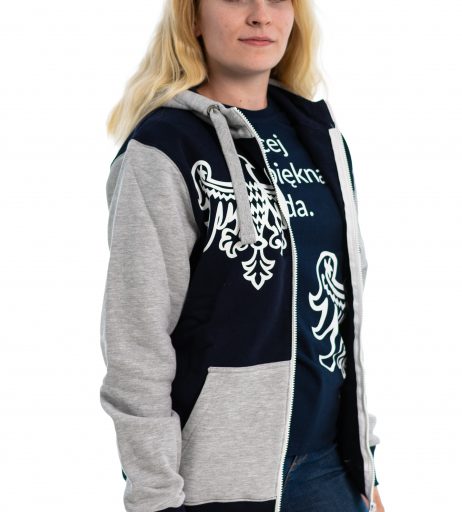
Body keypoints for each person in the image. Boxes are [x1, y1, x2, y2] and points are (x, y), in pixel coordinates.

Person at [99, 1, 385, 511]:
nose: (260, 15)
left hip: (330, 473)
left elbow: (344, 320)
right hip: (217, 483)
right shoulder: (163, 150)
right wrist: (155, 497)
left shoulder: (320, 138)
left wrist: (366, 467)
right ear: (192, 17)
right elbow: (136, 344)